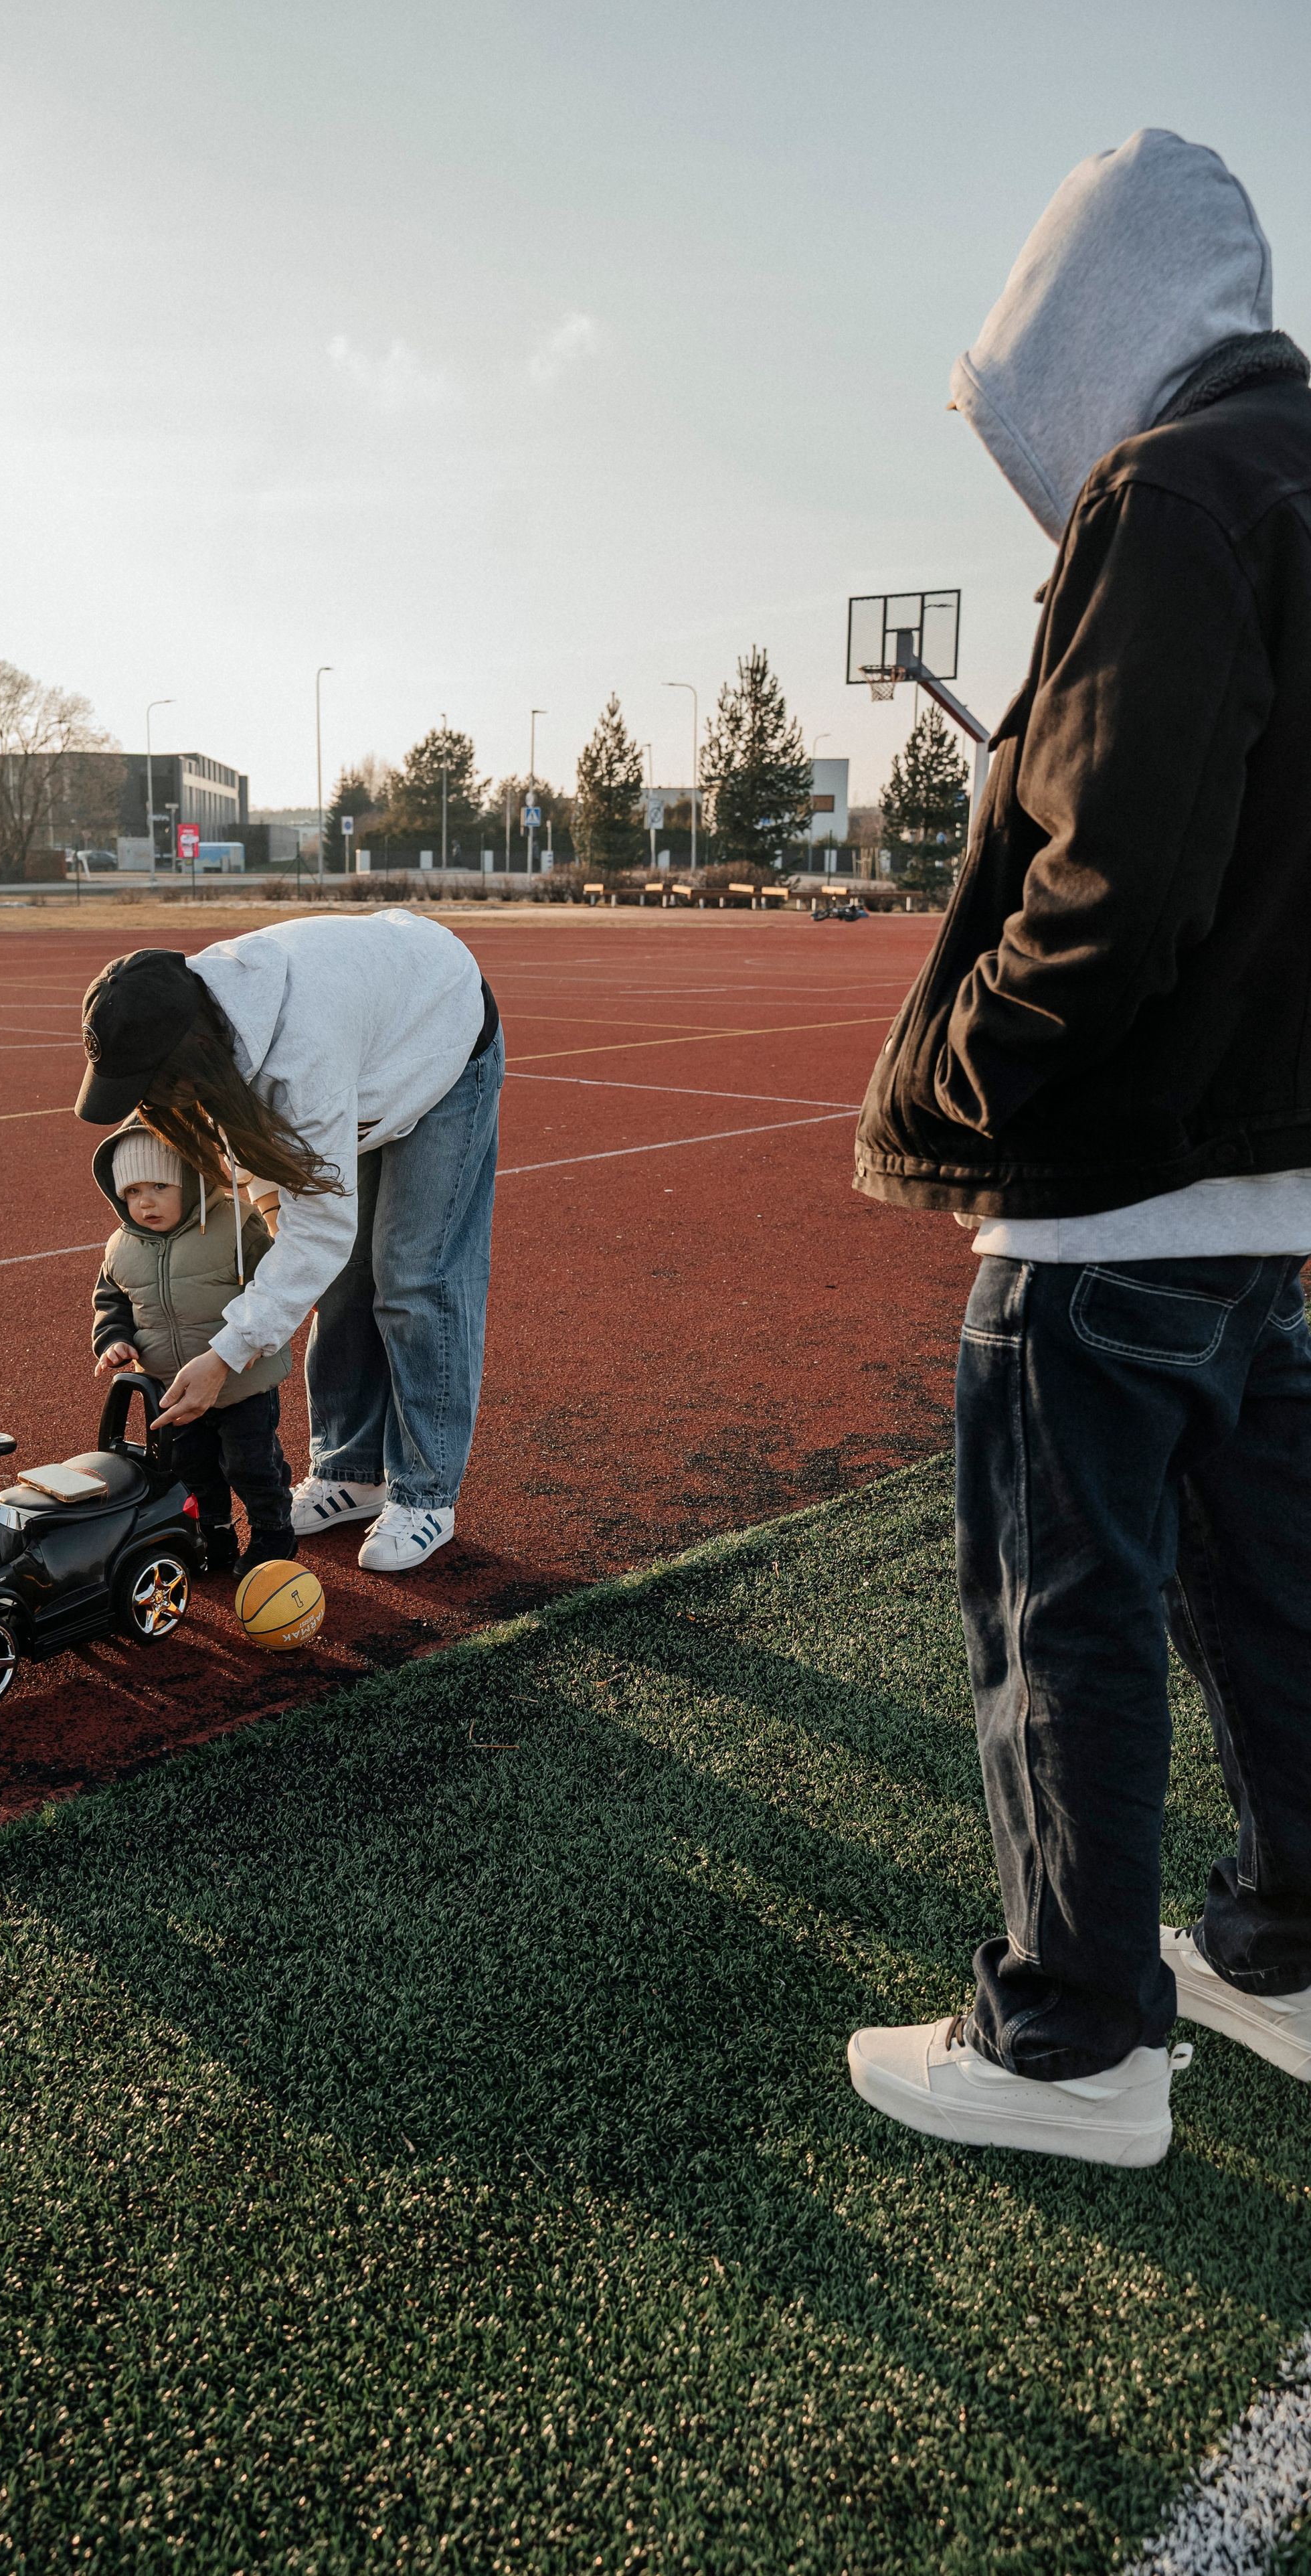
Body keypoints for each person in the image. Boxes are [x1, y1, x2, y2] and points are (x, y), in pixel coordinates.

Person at [845, 128, 1311, 2166]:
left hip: (1114, 1192)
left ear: (1081, 317)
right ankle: (1288, 1942)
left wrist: (964, 1080)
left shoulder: (1174, 487)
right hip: (1267, 1197)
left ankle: (1073, 2040)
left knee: (1065, 1613)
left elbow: (1109, 871)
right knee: (1264, 1591)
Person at [74, 907, 503, 1575]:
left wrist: (226, 1353)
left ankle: (426, 1494)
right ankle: (354, 1472)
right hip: (367, 1040)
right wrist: (271, 1286)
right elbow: (279, 1200)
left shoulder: (299, 1062)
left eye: (153, 1084)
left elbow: (318, 1230)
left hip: (440, 1029)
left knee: (414, 1277)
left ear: (191, 1056)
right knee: (341, 1281)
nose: (154, 1101)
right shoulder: (208, 1018)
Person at [90, 1121, 294, 1575]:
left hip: (244, 1381)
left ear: (192, 1178)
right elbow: (112, 1302)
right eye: (132, 1192)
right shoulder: (122, 1248)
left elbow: (275, 1288)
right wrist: (115, 1341)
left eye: (160, 1186)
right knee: (190, 1470)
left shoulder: (237, 1225)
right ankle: (213, 1534)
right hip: (173, 1390)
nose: (145, 1202)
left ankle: (272, 1530)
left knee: (250, 1465)